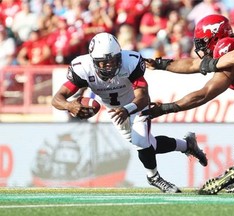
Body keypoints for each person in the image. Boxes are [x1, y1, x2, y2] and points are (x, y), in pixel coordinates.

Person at [51, 32, 208, 193]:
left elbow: (143, 95)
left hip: (135, 105)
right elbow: (57, 98)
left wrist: (128, 109)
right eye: (104, 63)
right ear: (94, 61)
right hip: (114, 110)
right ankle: (187, 145)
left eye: (113, 60)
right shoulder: (83, 69)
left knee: (141, 141)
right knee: (148, 145)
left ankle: (153, 177)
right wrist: (70, 106)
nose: (110, 66)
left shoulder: (130, 62)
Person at [141, 14, 234, 193]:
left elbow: (205, 94)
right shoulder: (228, 45)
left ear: (217, 37)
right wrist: (160, 64)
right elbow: (193, 65)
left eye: (204, 42)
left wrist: (166, 108)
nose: (200, 48)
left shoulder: (226, 46)